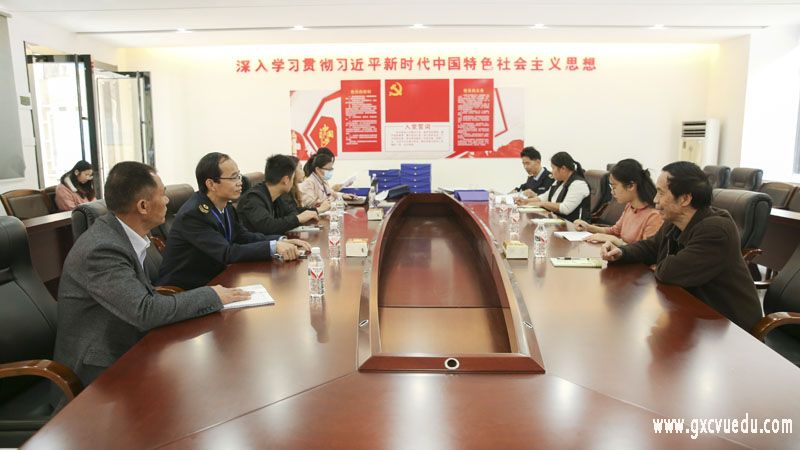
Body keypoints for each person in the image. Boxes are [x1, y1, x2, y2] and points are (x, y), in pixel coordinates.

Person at [53, 161, 250, 386]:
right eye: (163, 194)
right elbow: (145, 311)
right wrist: (212, 295)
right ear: (143, 206)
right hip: (99, 368)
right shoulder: (102, 249)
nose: (167, 201)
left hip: (130, 342)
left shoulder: (125, 235)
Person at [601, 161, 762, 332]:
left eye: (661, 193)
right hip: (696, 315)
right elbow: (651, 247)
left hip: (729, 327)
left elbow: (669, 272)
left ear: (685, 198)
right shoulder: (675, 220)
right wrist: (622, 252)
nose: (655, 200)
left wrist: (658, 264)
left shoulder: (716, 231)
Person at [158, 152, 311, 289]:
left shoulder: (226, 206)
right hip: (185, 290)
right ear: (211, 184)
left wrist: (280, 240)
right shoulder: (194, 214)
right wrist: (273, 247)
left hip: (217, 279)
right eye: (233, 178)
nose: (240, 182)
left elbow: (243, 236)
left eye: (239, 176)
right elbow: (227, 252)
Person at [574, 158, 663, 246]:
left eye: (614, 187)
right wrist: (588, 227)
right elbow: (614, 231)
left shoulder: (654, 216)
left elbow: (646, 252)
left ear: (631, 186)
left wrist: (616, 241)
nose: (612, 192)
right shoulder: (630, 206)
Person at [238, 154, 319, 235]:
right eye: (292, 177)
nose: (292, 182)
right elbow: (268, 226)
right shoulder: (253, 198)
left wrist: (297, 218)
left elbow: (292, 212)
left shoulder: (277, 194)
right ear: (286, 180)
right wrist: (297, 219)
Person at [516, 151, 590, 221]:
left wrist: (542, 204)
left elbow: (565, 209)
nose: (551, 171)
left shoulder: (578, 184)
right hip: (559, 222)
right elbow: (544, 197)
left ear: (563, 169)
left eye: (553, 168)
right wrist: (526, 201)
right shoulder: (559, 181)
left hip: (573, 226)